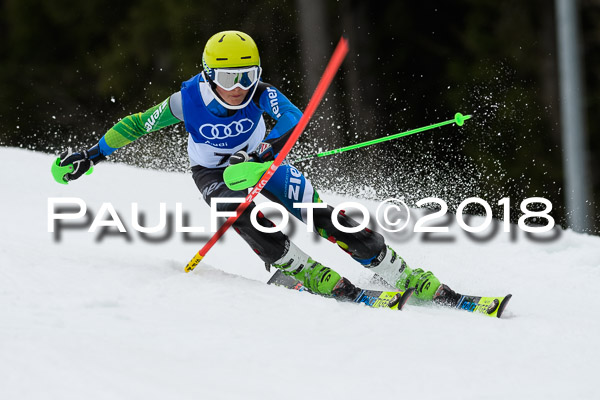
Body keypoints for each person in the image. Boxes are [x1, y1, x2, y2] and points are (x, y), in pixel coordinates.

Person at [56, 30, 459, 305]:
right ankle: (306, 271)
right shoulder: (186, 101)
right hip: (214, 174)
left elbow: (293, 120)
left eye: (249, 75)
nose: (239, 86)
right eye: (230, 76)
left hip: (265, 162)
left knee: (324, 216)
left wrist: (263, 154)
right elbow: (134, 124)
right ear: (210, 74)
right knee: (241, 213)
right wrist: (92, 155)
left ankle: (398, 272)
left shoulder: (262, 94)